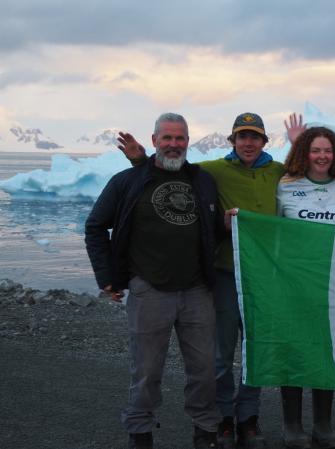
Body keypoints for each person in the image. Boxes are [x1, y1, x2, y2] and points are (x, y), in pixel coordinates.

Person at [118, 112, 284, 449]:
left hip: (264, 276)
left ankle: (248, 418)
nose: (248, 143)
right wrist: (140, 160)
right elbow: (169, 168)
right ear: (232, 141)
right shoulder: (213, 170)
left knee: (256, 350)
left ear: (264, 141)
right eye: (242, 136)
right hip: (224, 272)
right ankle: (222, 419)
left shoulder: (279, 171)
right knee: (219, 355)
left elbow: (318, 172)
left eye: (255, 137)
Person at [85, 113, 223, 449]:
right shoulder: (127, 181)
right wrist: (107, 277)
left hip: (197, 290)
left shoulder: (202, 181)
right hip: (149, 290)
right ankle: (140, 433)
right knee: (146, 371)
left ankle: (205, 431)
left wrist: (230, 225)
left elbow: (214, 229)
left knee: (205, 369)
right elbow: (95, 226)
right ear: (154, 141)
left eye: (180, 138)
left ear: (188, 141)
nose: (174, 144)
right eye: (167, 138)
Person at [277, 126, 335, 449]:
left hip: (331, 281)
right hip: (294, 283)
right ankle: (292, 425)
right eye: (315, 150)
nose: (322, 156)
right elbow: (272, 230)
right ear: (304, 153)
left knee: (325, 351)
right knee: (294, 350)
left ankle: (322, 423)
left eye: (327, 150)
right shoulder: (286, 185)